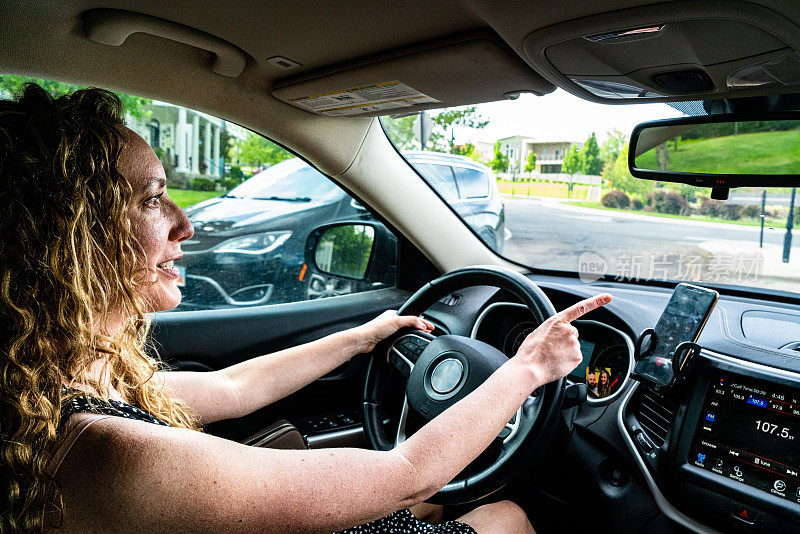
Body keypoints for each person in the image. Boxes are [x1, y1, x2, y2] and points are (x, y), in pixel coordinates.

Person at [0, 84, 612, 534]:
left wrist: (360, 337)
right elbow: (407, 472)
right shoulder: (110, 453)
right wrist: (529, 367)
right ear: (68, 240)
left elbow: (233, 384)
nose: (186, 226)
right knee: (506, 515)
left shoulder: (57, 390)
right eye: (155, 200)